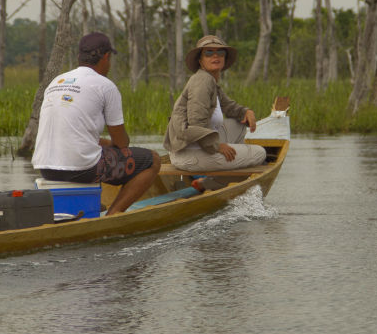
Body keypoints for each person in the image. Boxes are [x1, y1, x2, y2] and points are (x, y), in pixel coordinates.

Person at [32, 32, 161, 215]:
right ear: (106, 57)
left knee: (97, 152)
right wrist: (115, 143)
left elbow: (75, 133)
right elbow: (121, 142)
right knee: (152, 160)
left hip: (45, 167)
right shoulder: (105, 86)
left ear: (79, 57)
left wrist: (105, 143)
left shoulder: (56, 81)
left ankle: (90, 205)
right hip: (81, 169)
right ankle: (114, 214)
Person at [163, 35, 266, 172]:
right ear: (200, 60)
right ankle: (217, 180)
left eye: (220, 52)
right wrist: (217, 146)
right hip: (189, 154)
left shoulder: (211, 81)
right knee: (260, 153)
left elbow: (229, 106)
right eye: (209, 52)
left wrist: (247, 112)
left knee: (239, 125)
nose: (215, 56)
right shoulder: (202, 82)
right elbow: (195, 125)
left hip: (197, 148)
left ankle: (228, 167)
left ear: (224, 58)